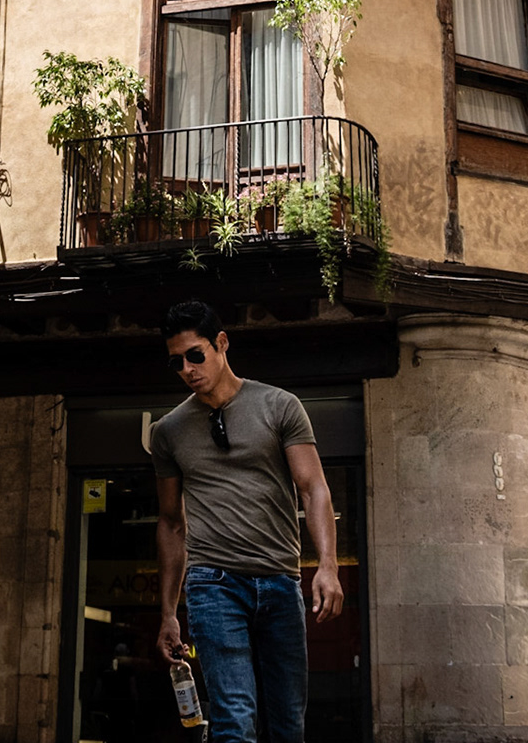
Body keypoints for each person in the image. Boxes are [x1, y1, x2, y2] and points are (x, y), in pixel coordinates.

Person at [152, 301, 342, 743]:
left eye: (195, 355)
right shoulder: (169, 431)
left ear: (221, 343)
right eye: (176, 361)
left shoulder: (279, 406)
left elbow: (313, 488)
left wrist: (327, 565)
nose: (186, 369)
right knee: (234, 723)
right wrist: (167, 614)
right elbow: (170, 523)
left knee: (287, 724)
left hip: (279, 580)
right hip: (212, 585)